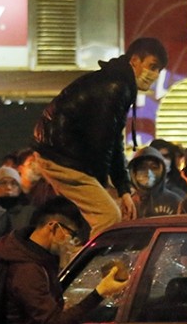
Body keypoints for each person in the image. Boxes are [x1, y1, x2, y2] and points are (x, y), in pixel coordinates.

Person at [32, 37, 167, 237]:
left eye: (158, 70)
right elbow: (103, 142)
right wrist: (108, 188)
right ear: (135, 60)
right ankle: (97, 268)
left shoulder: (116, 82)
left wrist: (122, 190)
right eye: (152, 66)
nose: (154, 75)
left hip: (60, 154)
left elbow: (113, 141)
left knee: (100, 216)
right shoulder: (115, 87)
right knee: (109, 217)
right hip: (62, 157)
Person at [128, 147, 182, 218]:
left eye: (154, 167)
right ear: (134, 172)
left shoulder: (175, 202)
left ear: (162, 171)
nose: (148, 172)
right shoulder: (129, 203)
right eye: (142, 167)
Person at [0, 166, 36, 232]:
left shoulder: (29, 213)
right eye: (3, 183)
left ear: (19, 189)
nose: (8, 187)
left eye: (14, 183)